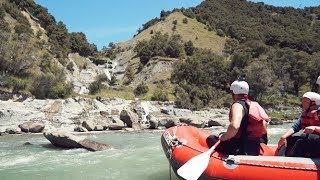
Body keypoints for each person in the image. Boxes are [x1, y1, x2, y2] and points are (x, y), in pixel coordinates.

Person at [206, 79, 270, 155]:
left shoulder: (238, 105)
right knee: (223, 133)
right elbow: (264, 128)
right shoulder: (253, 105)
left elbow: (234, 126)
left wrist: (223, 138)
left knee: (211, 139)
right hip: (254, 147)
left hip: (240, 148)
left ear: (234, 93)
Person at [277, 92, 320, 157]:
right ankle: (281, 160)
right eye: (302, 101)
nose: (302, 103)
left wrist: (315, 128)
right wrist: (284, 136)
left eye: (305, 101)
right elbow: (295, 127)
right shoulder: (306, 113)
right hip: (313, 141)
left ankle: (292, 162)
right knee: (288, 140)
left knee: (301, 141)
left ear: (314, 103)